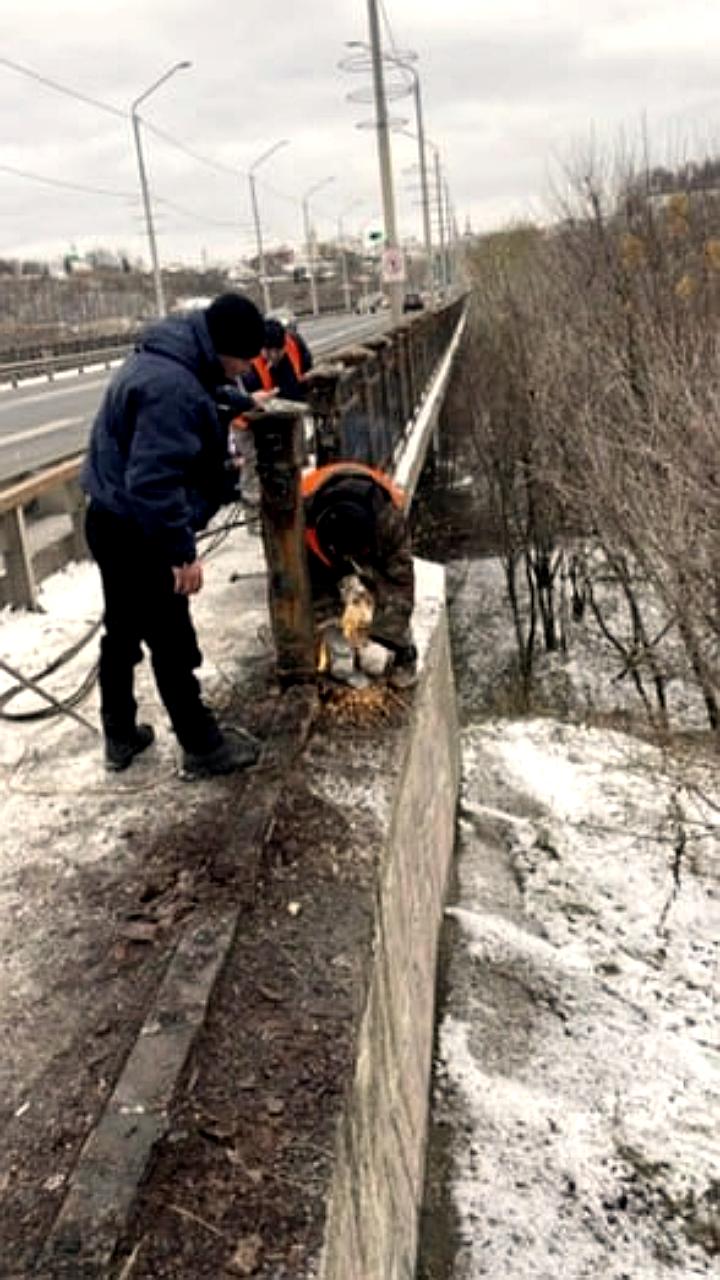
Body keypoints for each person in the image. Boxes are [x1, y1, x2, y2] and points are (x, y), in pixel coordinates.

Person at [82, 292, 273, 777]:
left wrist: (239, 402)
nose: (242, 372)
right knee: (170, 637)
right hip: (139, 528)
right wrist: (181, 554)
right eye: (243, 363)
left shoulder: (176, 354)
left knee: (122, 630)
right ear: (226, 347)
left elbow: (205, 393)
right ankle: (202, 746)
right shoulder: (172, 388)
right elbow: (153, 482)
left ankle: (119, 734)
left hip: (110, 518)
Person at [301, 461, 417, 685]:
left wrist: (384, 638)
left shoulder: (388, 521)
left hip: (371, 521)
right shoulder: (298, 520)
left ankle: (403, 652)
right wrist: (330, 630)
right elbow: (308, 588)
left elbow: (399, 585)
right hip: (316, 533)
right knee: (323, 607)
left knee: (384, 591)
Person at [243, 317, 313, 402]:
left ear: (284, 344)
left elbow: (307, 371)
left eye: (278, 350)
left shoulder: (296, 343)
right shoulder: (247, 366)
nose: (274, 355)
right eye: (268, 351)